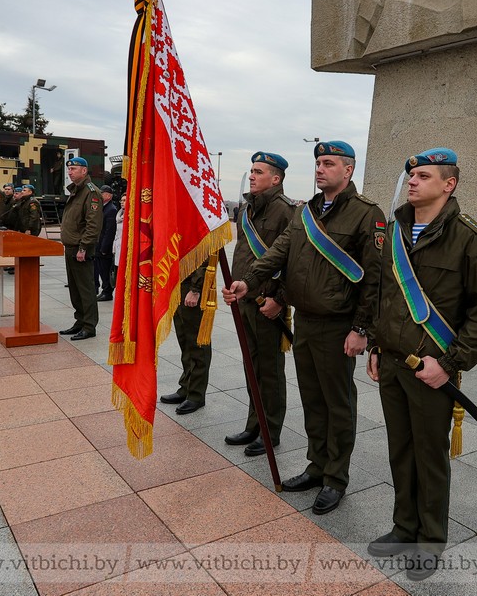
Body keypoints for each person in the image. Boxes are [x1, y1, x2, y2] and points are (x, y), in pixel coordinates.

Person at [365, 148, 477, 581]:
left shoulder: (468, 237)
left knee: (429, 455)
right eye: (411, 174)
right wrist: (376, 343)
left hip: (432, 369)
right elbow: (385, 293)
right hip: (391, 363)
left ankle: (429, 540)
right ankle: (403, 527)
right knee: (399, 450)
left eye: (424, 176)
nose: (412, 181)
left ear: (449, 184)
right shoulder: (394, 230)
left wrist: (450, 363)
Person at [224, 140, 384, 515]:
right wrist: (248, 281)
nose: (320, 169)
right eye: (317, 163)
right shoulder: (306, 211)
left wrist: (362, 328)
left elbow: (375, 277)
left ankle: (336, 478)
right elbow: (279, 250)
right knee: (313, 400)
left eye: (328, 163)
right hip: (308, 321)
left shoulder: (367, 214)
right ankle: (317, 466)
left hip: (339, 323)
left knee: (337, 403)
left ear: (348, 170)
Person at [225, 151, 297, 457]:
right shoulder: (246, 210)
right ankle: (253, 424)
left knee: (269, 370)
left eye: (259, 171)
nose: (252, 175)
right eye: (251, 170)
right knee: (251, 366)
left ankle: (271, 430)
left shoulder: (286, 211)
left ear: (275, 178)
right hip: (245, 299)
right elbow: (243, 251)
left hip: (267, 303)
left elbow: (293, 262)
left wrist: (279, 301)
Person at [57, 156, 103, 341]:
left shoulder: (91, 192)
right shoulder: (76, 191)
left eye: (74, 169)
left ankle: (89, 326)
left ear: (84, 171)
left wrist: (84, 248)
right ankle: (80, 321)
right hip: (71, 247)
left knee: (85, 289)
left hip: (81, 249)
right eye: (69, 169)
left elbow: (93, 225)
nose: (70, 172)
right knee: (75, 289)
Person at [159, 259, 213, 415]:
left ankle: (196, 395)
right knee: (185, 340)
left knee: (197, 342)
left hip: (192, 284)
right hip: (178, 281)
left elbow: (205, 253)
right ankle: (186, 387)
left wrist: (196, 288)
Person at [94, 185, 118, 301]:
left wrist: (104, 248)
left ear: (108, 196)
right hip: (99, 245)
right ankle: (104, 289)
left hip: (105, 247)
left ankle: (107, 291)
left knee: (105, 270)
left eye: (102, 193)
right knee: (101, 269)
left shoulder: (111, 209)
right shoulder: (103, 207)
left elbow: (109, 231)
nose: (100, 195)